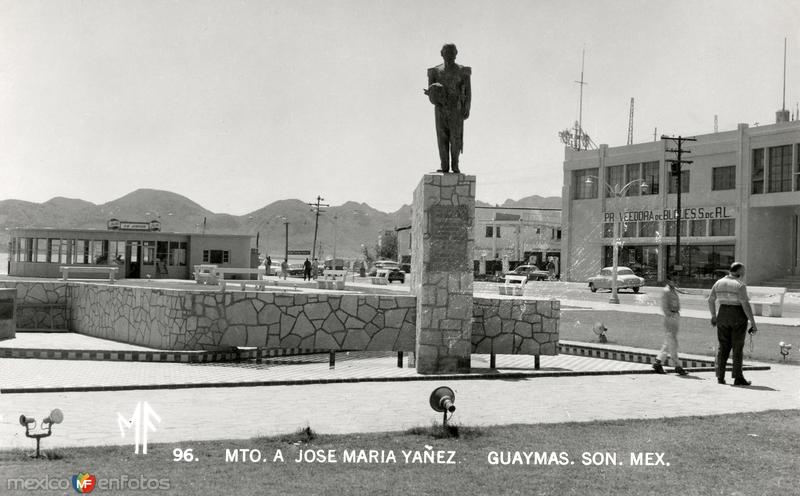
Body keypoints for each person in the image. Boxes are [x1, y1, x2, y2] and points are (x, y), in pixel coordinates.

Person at [707, 262, 758, 386]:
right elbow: (745, 305)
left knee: (722, 347)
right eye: (743, 271)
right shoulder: (739, 285)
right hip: (737, 315)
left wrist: (713, 315)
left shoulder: (718, 283)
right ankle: (737, 377)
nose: (744, 273)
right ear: (739, 271)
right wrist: (753, 322)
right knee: (737, 347)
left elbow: (710, 300)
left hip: (722, 313)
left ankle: (720, 376)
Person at [424, 43, 471, 173]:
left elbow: (468, 90)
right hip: (440, 108)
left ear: (456, 54)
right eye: (447, 52)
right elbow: (431, 93)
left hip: (456, 107)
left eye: (452, 52)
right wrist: (434, 96)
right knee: (442, 137)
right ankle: (444, 165)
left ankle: (455, 165)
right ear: (442, 53)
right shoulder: (435, 71)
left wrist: (467, 106)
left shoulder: (462, 70)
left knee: (455, 138)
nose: (449, 54)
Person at [652, 273, 687, 375]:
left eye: (677, 280)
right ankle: (677, 365)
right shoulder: (666, 291)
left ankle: (658, 362)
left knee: (669, 342)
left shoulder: (673, 290)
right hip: (670, 317)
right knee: (673, 342)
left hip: (675, 316)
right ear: (669, 281)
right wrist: (670, 315)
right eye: (674, 280)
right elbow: (664, 307)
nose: (676, 282)